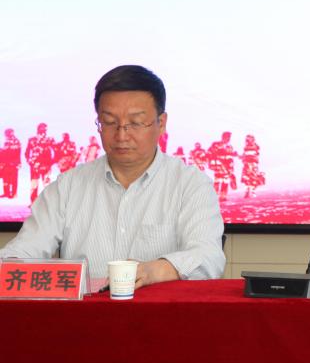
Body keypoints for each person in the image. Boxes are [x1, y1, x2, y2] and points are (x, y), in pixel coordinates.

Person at [0, 65, 225, 287]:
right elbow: (19, 254)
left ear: (161, 123)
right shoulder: (67, 187)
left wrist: (155, 270)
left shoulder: (190, 184)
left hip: (161, 310)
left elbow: (209, 258)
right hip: (86, 310)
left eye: (135, 123)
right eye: (109, 122)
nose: (121, 135)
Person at [0, 129, 20, 198]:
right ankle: (6, 193)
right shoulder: (6, 141)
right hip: (6, 163)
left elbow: (16, 153)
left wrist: (17, 163)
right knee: (6, 179)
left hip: (13, 163)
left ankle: (14, 193)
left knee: (13, 179)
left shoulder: (16, 142)